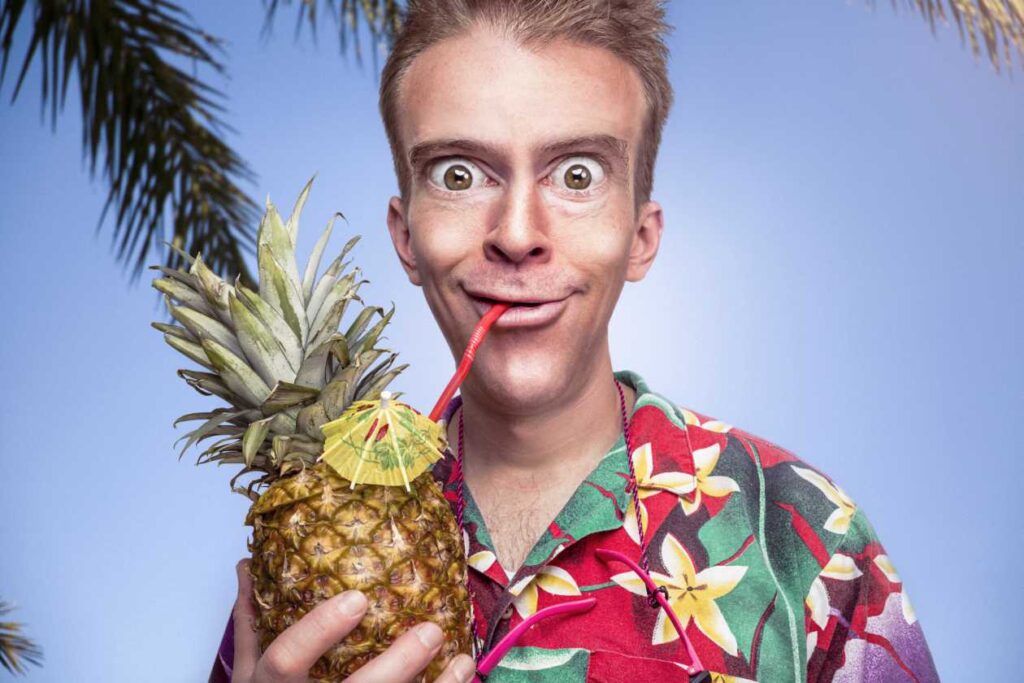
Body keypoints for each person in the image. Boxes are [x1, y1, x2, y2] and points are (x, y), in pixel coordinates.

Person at [213, 1, 939, 681]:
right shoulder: (306, 544)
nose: (517, 234)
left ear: (640, 236)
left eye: (577, 174)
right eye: (459, 175)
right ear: (406, 238)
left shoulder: (805, 535)